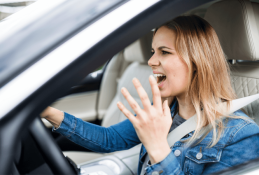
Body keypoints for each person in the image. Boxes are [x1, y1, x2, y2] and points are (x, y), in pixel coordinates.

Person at [41, 15, 259, 175]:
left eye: (164, 52)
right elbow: (110, 139)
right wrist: (48, 113)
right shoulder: (161, 111)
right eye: (153, 51)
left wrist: (158, 148)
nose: (151, 61)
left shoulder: (242, 136)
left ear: (196, 62)